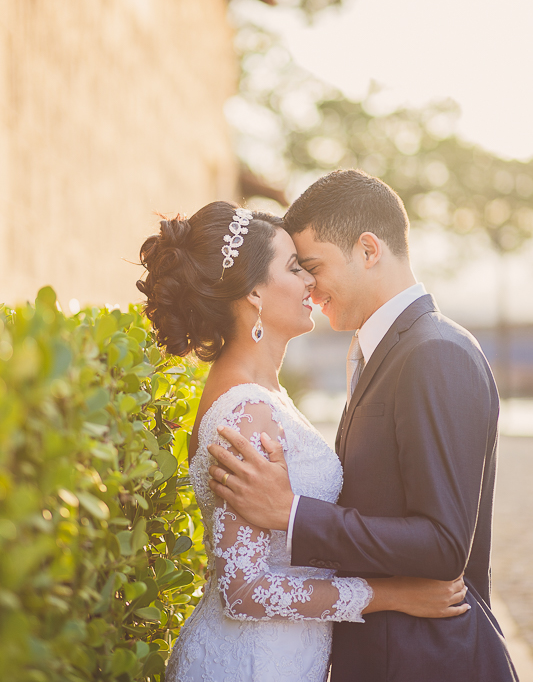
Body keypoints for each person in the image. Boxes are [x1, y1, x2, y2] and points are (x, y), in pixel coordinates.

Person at [137, 200, 469, 682]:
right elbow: (244, 589)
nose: (311, 281)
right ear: (253, 291)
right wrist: (392, 595)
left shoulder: (267, 395)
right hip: (249, 665)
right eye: (295, 268)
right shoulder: (245, 413)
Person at [208, 170, 519, 682]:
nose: (309, 284)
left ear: (368, 250)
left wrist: (291, 513)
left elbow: (443, 545)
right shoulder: (381, 352)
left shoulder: (434, 353)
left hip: (427, 660)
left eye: (313, 266)